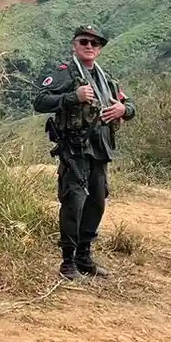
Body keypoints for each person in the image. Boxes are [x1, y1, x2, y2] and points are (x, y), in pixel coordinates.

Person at [33, 25, 134, 278]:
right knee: (73, 202)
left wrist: (124, 110)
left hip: (100, 148)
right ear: (74, 45)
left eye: (95, 43)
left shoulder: (106, 79)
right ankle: (67, 263)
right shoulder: (66, 74)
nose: (89, 46)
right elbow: (40, 101)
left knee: (96, 203)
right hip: (75, 149)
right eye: (84, 41)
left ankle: (85, 257)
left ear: (99, 49)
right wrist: (71, 97)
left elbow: (128, 104)